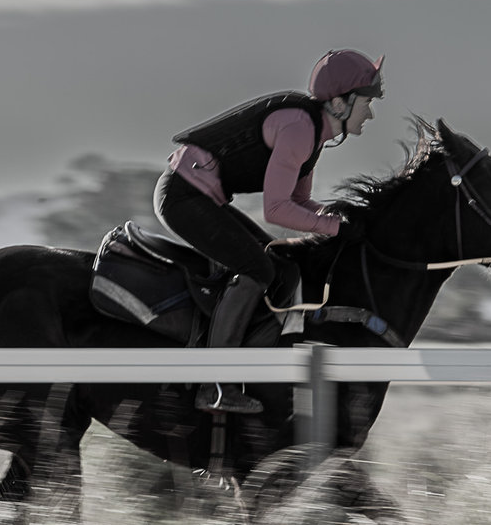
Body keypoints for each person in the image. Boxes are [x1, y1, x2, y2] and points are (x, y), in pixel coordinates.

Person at [154, 49, 385, 414]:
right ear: (339, 103)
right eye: (366, 103)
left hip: (202, 196)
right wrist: (335, 228)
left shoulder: (315, 136)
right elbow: (276, 210)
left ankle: (249, 365)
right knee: (258, 269)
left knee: (283, 266)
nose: (370, 113)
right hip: (183, 196)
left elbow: (300, 202)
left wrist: (340, 218)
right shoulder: (299, 129)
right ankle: (214, 383)